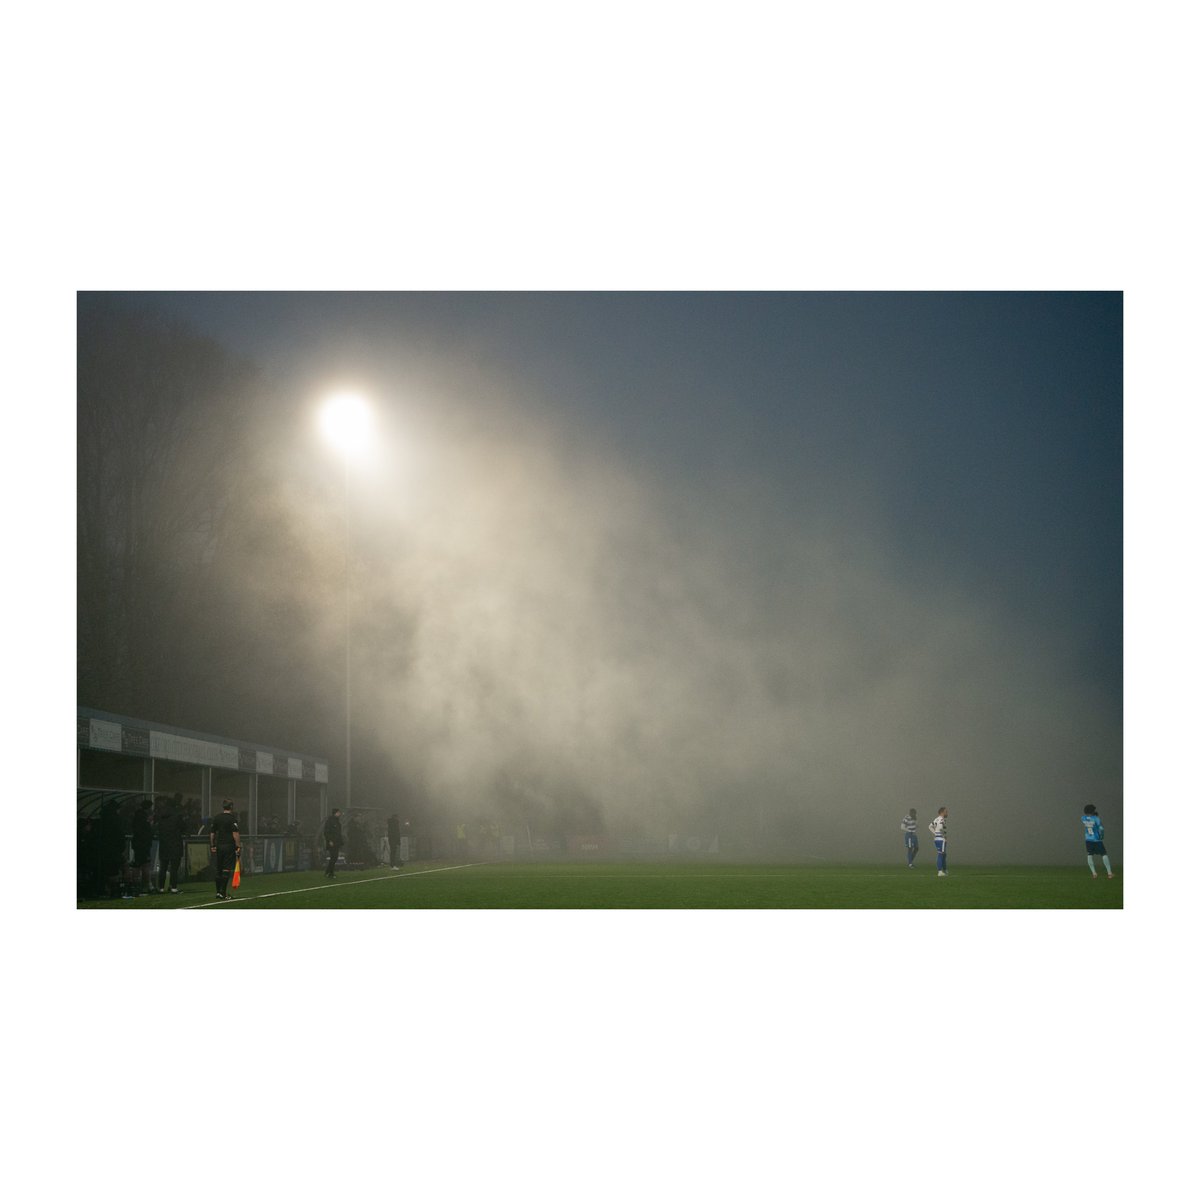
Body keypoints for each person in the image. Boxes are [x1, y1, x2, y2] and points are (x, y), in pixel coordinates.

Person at [209, 799, 241, 900]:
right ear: (231, 806)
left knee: (218, 869)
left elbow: (212, 833)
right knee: (226, 869)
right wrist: (238, 846)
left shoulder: (217, 818)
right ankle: (223, 893)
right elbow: (235, 834)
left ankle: (218, 892)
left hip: (219, 846)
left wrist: (213, 845)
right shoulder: (232, 819)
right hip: (228, 846)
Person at [156, 793, 186, 894]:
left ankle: (160, 888)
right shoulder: (177, 815)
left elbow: (158, 829)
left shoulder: (161, 816)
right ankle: (173, 887)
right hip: (175, 844)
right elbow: (183, 828)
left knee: (163, 867)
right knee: (174, 868)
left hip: (164, 844)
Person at [127, 799, 154, 897]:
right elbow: (147, 832)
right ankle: (145, 887)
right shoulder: (144, 818)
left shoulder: (136, 816)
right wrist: (150, 825)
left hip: (137, 844)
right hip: (144, 845)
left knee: (137, 865)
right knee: (145, 865)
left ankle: (135, 887)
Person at [1081, 804, 1114, 879]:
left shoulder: (1083, 818)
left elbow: (1088, 819)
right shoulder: (1096, 818)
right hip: (1096, 839)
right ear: (1092, 811)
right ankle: (1109, 873)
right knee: (1104, 854)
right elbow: (1101, 828)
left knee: (1090, 854)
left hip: (1088, 839)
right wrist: (1102, 836)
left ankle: (1094, 873)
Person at [323, 807, 344, 878]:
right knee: (333, 857)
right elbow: (326, 832)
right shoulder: (330, 821)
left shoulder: (336, 821)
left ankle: (328, 871)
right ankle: (330, 873)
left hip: (336, 842)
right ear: (335, 813)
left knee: (334, 857)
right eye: (338, 812)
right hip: (332, 842)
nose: (340, 813)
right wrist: (329, 841)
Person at [928, 807, 948, 877]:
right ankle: (940, 871)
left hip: (937, 838)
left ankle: (944, 870)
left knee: (944, 854)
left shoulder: (936, 819)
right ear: (942, 812)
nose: (947, 813)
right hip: (940, 839)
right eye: (946, 812)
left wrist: (935, 834)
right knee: (941, 854)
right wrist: (943, 836)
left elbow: (930, 826)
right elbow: (940, 828)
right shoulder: (942, 819)